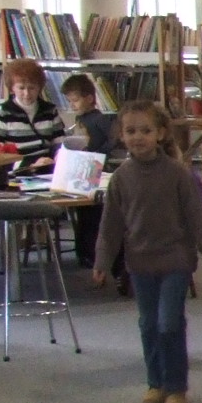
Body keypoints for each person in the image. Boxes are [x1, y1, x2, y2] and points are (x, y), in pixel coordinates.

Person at [93, 103, 202, 403]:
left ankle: (176, 387)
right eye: (130, 131)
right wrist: (102, 262)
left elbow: (196, 217)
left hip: (175, 261)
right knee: (149, 324)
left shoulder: (177, 174)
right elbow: (110, 227)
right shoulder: (121, 179)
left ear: (161, 133)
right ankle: (156, 383)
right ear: (122, 135)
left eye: (145, 130)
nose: (138, 137)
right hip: (140, 263)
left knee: (169, 323)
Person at [59, 73, 118, 267]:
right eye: (70, 101)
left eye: (75, 100)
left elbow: (114, 139)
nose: (72, 105)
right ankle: (83, 252)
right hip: (83, 166)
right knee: (82, 212)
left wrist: (99, 154)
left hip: (96, 167)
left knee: (93, 212)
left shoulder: (99, 119)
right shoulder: (80, 119)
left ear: (90, 98)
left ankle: (92, 252)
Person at [0, 58, 65, 172]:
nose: (27, 93)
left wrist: (58, 157)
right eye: (21, 88)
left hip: (48, 169)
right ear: (12, 88)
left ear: (39, 87)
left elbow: (59, 143)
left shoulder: (50, 110)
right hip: (17, 172)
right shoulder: (1, 113)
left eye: (32, 88)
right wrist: (30, 165)